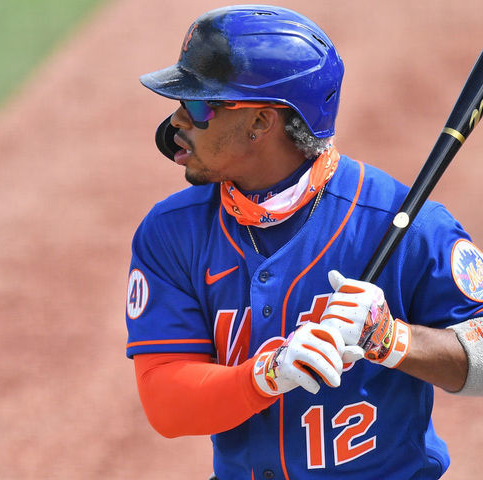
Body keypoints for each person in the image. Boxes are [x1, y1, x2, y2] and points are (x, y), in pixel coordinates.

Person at [124, 5, 481, 479]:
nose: (176, 121)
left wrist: (392, 339)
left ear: (261, 122)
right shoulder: (173, 232)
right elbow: (166, 402)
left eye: (197, 105)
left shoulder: (406, 226)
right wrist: (265, 375)